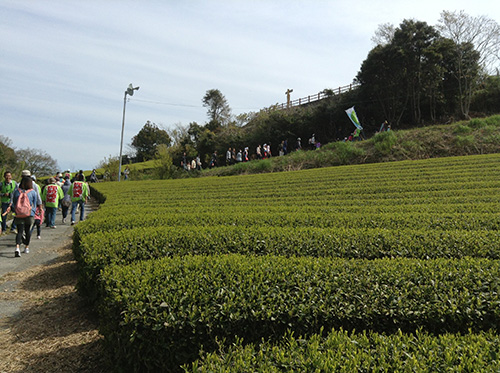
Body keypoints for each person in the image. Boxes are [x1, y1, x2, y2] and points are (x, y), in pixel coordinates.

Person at [8, 175, 41, 257]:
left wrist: (15, 211)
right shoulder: (32, 192)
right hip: (29, 214)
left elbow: (14, 203)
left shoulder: (16, 191)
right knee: (27, 231)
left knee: (19, 231)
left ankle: (17, 247)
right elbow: (35, 203)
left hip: (18, 214)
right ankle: (26, 247)